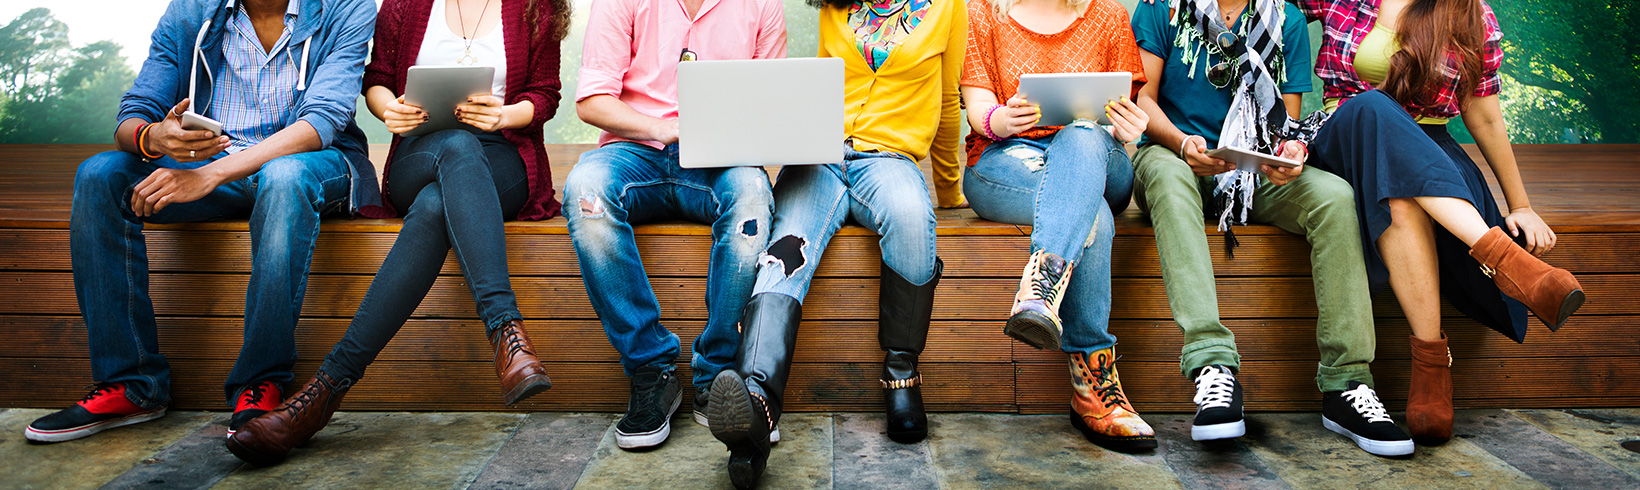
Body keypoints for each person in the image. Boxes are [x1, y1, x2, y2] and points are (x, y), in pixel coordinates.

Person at [223, 0, 570, 464]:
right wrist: (391, 111)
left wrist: (505, 115)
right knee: (451, 153)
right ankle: (508, 334)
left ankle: (322, 395)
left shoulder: (536, 7)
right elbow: (378, 79)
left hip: (502, 157)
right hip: (420, 153)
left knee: (434, 205)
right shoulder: (406, 3)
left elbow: (545, 94)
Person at [22, 0, 378, 443]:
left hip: (312, 164)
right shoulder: (192, 9)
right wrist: (154, 137)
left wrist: (209, 175)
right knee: (100, 175)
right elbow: (134, 111)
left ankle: (260, 381)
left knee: (283, 179)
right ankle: (132, 385)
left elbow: (324, 119)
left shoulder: (346, 7)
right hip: (211, 169)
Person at [1131, 0, 1413, 456]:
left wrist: (1289, 155)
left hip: (1250, 169)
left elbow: (1286, 121)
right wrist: (1183, 144)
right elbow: (1142, 98)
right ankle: (1212, 365)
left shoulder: (1288, 20)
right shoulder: (1160, 9)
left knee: (1335, 198)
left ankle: (1347, 383)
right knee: (1166, 177)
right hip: (1174, 156)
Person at [1294, 0, 1584, 445]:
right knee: (1372, 107)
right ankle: (1513, 266)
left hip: (1429, 152)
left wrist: (1521, 205)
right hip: (1343, 140)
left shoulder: (1471, 13)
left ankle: (1431, 364)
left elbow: (1484, 115)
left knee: (1401, 197)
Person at [703, 0, 964, 485]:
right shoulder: (834, 6)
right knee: (784, 253)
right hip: (820, 160)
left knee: (911, 216)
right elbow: (817, 93)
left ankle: (901, 373)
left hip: (889, 160)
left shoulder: (948, 7)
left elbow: (948, 100)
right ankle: (755, 404)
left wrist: (948, 189)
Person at [564, 0, 784, 451]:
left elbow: (772, 101)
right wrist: (661, 129)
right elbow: (592, 101)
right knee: (585, 189)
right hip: (634, 151)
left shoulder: (763, 6)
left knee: (752, 196)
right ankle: (651, 369)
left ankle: (719, 373)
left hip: (718, 157)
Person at [959, 0, 1156, 453]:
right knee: (1094, 218)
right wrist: (1001, 120)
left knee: (1083, 133)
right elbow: (978, 108)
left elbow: (1130, 108)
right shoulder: (985, 11)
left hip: (1101, 160)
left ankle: (1040, 289)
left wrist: (1131, 129)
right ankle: (1096, 392)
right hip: (1006, 163)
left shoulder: (1108, 14)